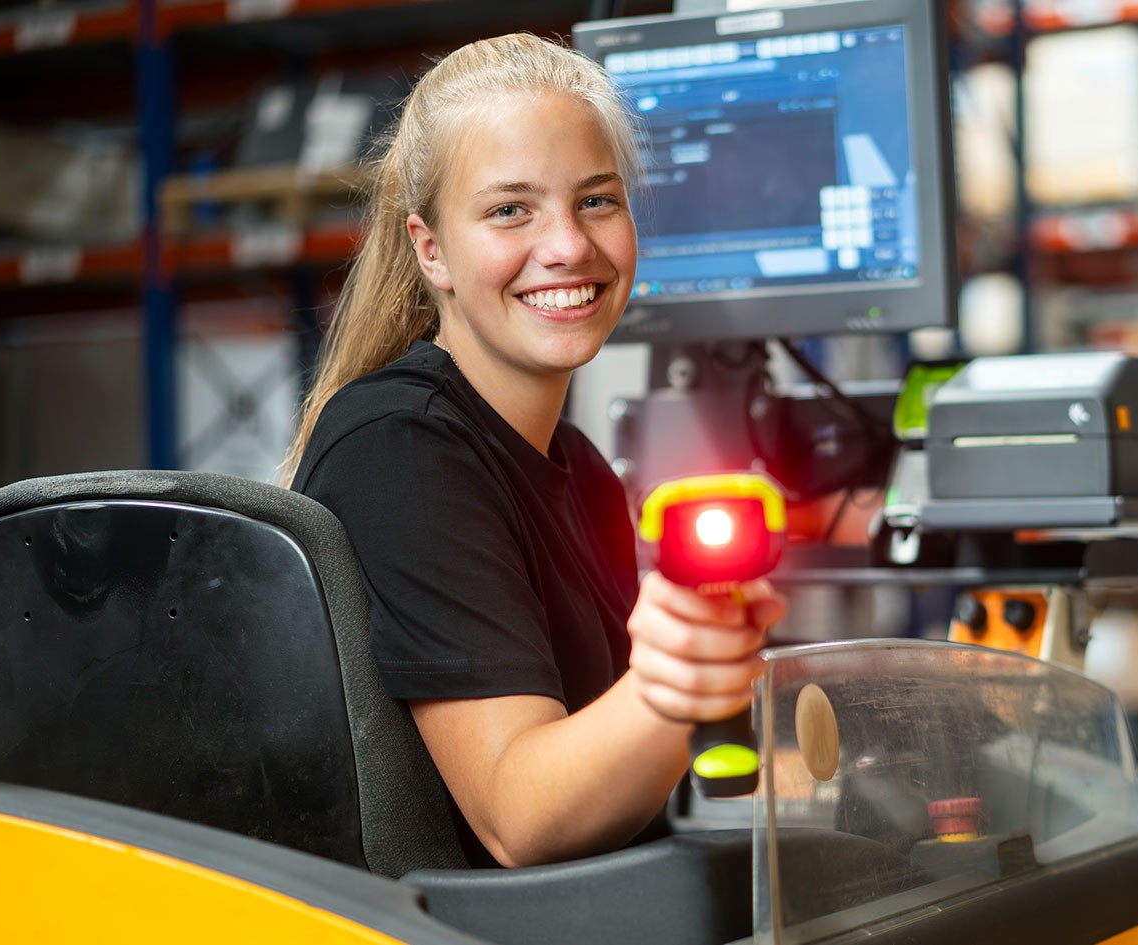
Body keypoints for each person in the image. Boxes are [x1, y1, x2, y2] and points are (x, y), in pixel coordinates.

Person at [282, 33, 786, 869]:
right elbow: (522, 819)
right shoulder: (399, 448)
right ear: (430, 248)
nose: (568, 247)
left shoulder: (578, 466)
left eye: (596, 200)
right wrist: (673, 689)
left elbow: (623, 778)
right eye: (510, 209)